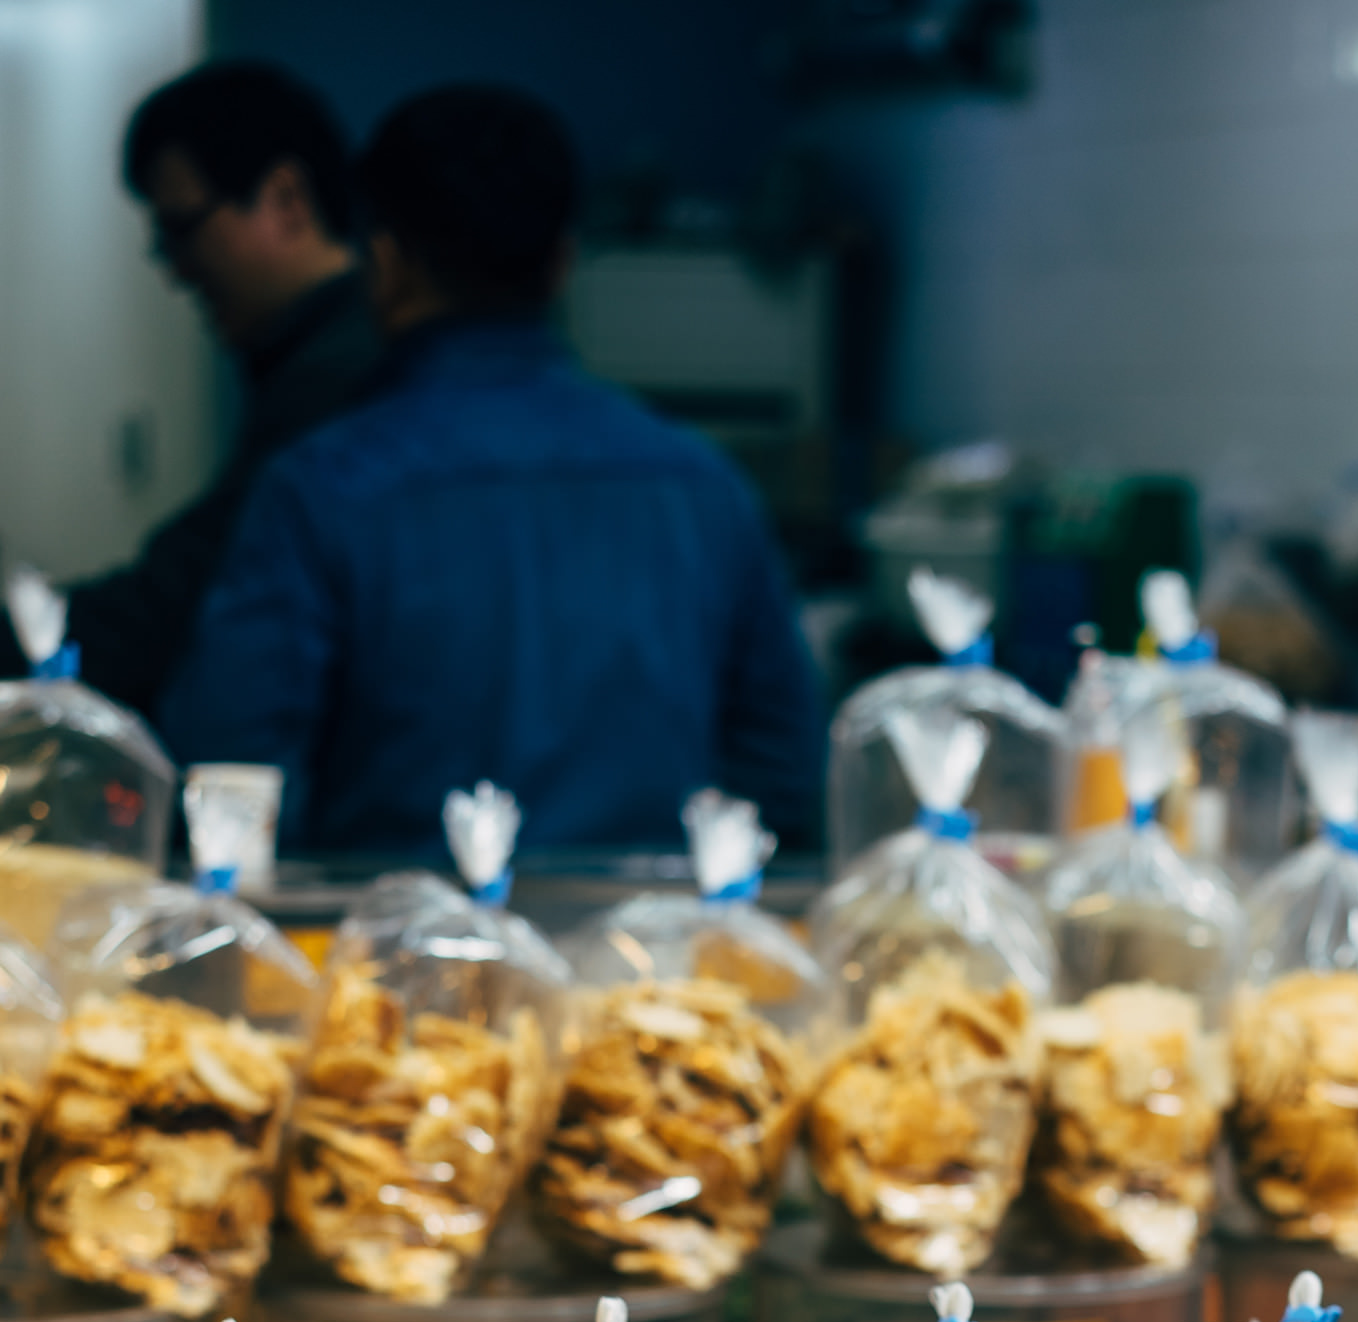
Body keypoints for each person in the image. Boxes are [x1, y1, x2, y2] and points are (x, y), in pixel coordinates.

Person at [161, 84, 824, 856]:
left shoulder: (322, 492)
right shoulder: (704, 487)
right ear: (564, 264)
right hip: (652, 969)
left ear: (385, 262)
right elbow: (782, 779)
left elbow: (233, 791)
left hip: (391, 965)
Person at [20, 64, 384, 718]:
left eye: (183, 227)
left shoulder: (335, 381)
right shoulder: (329, 358)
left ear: (286, 198)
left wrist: (36, 648)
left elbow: (177, 610)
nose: (171, 266)